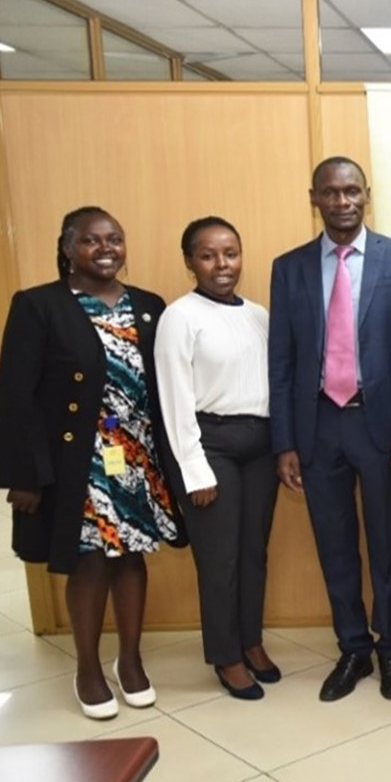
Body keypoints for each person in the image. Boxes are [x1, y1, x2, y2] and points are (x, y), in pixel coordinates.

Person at [0, 206, 185, 720]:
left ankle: (130, 660)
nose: (106, 249)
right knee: (90, 560)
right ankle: (87, 667)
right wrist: (25, 475)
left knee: (131, 557)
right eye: (92, 240)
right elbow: (17, 395)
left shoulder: (148, 305)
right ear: (67, 248)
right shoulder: (39, 306)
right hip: (79, 460)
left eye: (115, 239)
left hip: (137, 460)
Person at [269, 157, 391, 702]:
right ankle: (354, 648)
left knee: (386, 547)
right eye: (331, 193)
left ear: (367, 195)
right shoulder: (288, 268)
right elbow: (282, 360)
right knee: (334, 545)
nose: (343, 202)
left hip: (378, 426)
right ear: (314, 197)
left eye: (352, 191)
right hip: (317, 428)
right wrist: (284, 441)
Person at [155, 216, 278, 700]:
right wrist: (193, 469)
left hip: (260, 444)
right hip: (212, 445)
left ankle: (251, 641)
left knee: (253, 552)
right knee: (220, 559)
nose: (221, 264)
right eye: (208, 255)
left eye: (230, 252)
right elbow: (174, 400)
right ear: (190, 262)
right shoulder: (180, 317)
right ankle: (226, 656)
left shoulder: (258, 314)